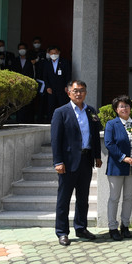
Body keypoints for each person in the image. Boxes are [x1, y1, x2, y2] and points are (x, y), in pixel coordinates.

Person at [50, 80, 102, 246]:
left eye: (82, 90)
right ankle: (62, 232)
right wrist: (58, 161)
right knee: (64, 199)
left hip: (86, 160)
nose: (79, 93)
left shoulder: (90, 111)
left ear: (86, 92)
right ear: (68, 92)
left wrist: (97, 156)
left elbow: (95, 135)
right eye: (75, 91)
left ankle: (81, 228)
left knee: (83, 198)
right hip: (68, 162)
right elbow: (55, 139)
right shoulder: (61, 112)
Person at [104, 95, 132, 241]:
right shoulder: (111, 124)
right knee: (114, 198)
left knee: (128, 197)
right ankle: (112, 227)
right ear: (116, 109)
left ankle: (125, 226)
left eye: (127, 106)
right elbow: (109, 143)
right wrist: (123, 157)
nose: (124, 108)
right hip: (116, 167)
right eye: (121, 106)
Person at [11, 42, 37, 123]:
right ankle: (20, 120)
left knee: (29, 104)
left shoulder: (30, 61)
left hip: (29, 86)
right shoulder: (15, 60)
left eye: (23, 48)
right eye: (20, 49)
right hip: (19, 86)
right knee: (19, 104)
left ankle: (29, 120)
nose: (22, 50)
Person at [41, 46, 72, 113]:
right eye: (52, 53)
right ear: (49, 54)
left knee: (63, 106)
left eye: (55, 53)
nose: (53, 55)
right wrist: (47, 87)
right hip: (51, 89)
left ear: (59, 52)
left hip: (62, 89)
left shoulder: (64, 62)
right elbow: (45, 76)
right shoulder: (47, 63)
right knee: (51, 107)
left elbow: (68, 75)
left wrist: (67, 86)